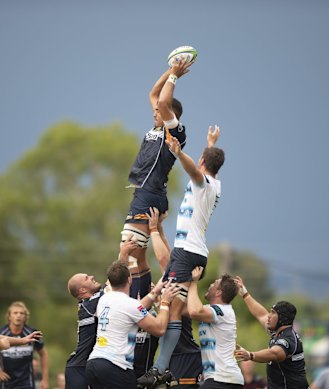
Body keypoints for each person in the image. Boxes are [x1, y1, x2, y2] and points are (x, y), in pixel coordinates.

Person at [138, 125, 225, 388]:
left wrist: (177, 152)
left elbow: (194, 171)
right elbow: (204, 165)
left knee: (173, 309)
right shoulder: (216, 182)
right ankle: (161, 368)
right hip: (190, 252)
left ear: (201, 162)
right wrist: (210, 143)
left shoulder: (204, 182)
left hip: (189, 253)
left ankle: (160, 368)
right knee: (176, 309)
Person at [121, 58, 193, 298]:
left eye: (159, 112)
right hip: (145, 193)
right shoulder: (155, 128)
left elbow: (162, 101)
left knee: (126, 253)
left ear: (171, 114)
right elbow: (154, 93)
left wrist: (175, 77)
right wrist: (170, 70)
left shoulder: (175, 132)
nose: (155, 112)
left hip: (149, 195)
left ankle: (160, 294)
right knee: (138, 259)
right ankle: (141, 299)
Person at [85, 261, 179, 389]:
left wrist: (155, 291)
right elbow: (159, 328)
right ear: (129, 280)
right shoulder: (130, 305)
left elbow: (134, 309)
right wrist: (165, 302)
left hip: (93, 364)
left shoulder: (104, 300)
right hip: (116, 366)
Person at [233, 276, 309, 389]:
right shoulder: (276, 331)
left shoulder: (288, 338)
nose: (269, 316)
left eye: (273, 313)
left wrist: (250, 355)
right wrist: (245, 294)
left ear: (282, 318)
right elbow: (261, 314)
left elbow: (274, 354)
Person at [183, 266, 243, 388]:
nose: (210, 285)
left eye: (213, 284)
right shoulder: (211, 310)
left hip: (224, 379)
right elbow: (184, 310)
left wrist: (194, 282)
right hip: (221, 379)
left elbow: (194, 311)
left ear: (218, 292)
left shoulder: (222, 310)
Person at [0, 301, 49, 389]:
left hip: (27, 383)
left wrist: (45, 379)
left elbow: (44, 354)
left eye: (21, 313)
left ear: (25, 317)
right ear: (9, 316)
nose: (18, 315)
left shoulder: (32, 333)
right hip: (6, 382)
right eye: (15, 313)